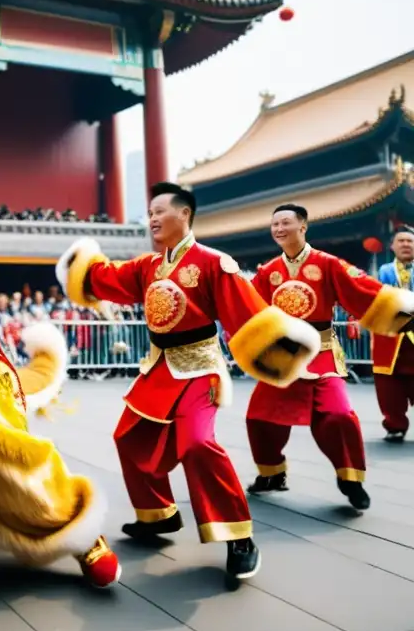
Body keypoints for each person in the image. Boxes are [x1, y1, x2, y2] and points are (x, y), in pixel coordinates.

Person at [57, 182, 322, 582]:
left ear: (184, 214)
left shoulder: (216, 262)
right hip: (157, 368)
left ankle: (240, 536)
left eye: (159, 211)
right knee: (128, 437)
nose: (151, 219)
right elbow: (108, 278)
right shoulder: (147, 266)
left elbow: (249, 315)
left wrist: (281, 351)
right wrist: (83, 266)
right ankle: (158, 515)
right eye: (148, 213)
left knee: (197, 444)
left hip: (199, 368)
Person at [244, 206, 414, 508]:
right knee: (259, 416)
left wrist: (405, 314)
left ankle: (350, 478)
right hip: (281, 353)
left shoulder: (328, 263)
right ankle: (271, 473)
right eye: (274, 224)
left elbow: (364, 289)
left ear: (303, 227)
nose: (279, 228)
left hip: (320, 352)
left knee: (337, 415)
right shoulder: (268, 271)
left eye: (286, 222)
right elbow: (245, 308)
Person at [373, 227, 414, 443]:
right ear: (393, 246)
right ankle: (395, 425)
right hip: (391, 335)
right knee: (389, 383)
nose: (406, 244)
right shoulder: (384, 271)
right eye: (402, 241)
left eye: (410, 241)